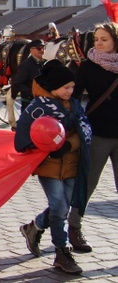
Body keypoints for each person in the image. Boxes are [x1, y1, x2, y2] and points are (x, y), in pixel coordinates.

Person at [15, 59, 91, 275]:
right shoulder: (37, 108)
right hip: (48, 165)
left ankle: (35, 227)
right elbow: (26, 133)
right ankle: (62, 251)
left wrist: (68, 144)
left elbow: (83, 132)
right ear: (53, 87)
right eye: (66, 87)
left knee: (63, 206)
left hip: (70, 163)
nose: (71, 91)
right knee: (59, 207)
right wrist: (48, 145)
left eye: (73, 87)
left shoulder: (75, 106)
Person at [67, 21, 118, 253]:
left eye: (104, 39)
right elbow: (73, 97)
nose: (98, 43)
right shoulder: (88, 66)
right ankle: (74, 227)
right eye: (96, 39)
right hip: (97, 132)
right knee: (88, 183)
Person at [12, 39, 46, 114]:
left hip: (44, 101)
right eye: (39, 48)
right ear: (31, 50)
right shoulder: (26, 65)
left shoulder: (45, 63)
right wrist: (33, 92)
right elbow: (18, 84)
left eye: (44, 47)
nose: (42, 50)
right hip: (30, 103)